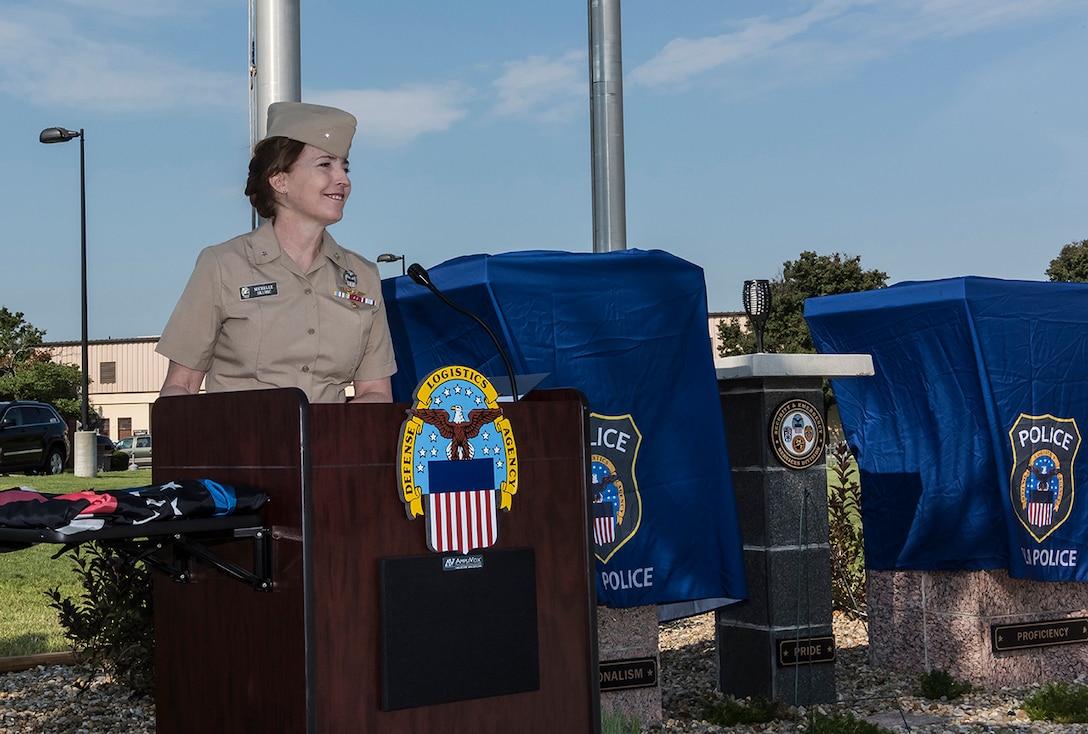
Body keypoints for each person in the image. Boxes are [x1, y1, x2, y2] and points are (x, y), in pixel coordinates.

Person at [156, 102, 396, 403]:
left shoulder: (363, 276)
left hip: (331, 447)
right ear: (280, 180)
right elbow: (182, 386)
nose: (343, 180)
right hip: (242, 445)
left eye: (344, 167)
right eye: (325, 165)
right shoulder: (222, 266)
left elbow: (375, 392)